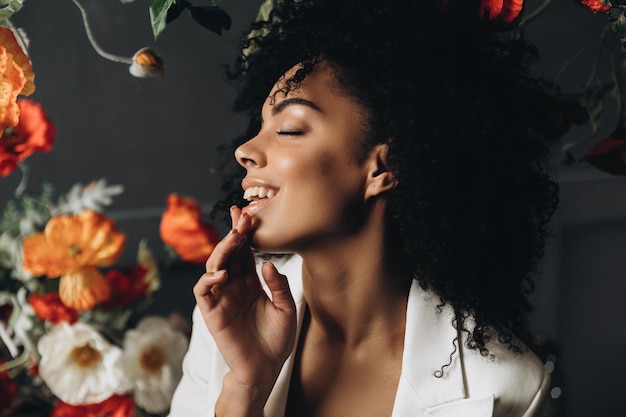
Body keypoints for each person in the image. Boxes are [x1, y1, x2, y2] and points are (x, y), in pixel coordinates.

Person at [168, 0, 561, 416]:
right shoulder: (230, 316)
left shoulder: (504, 385)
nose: (245, 151)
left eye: (288, 129)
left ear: (384, 167)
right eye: (259, 127)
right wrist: (246, 387)